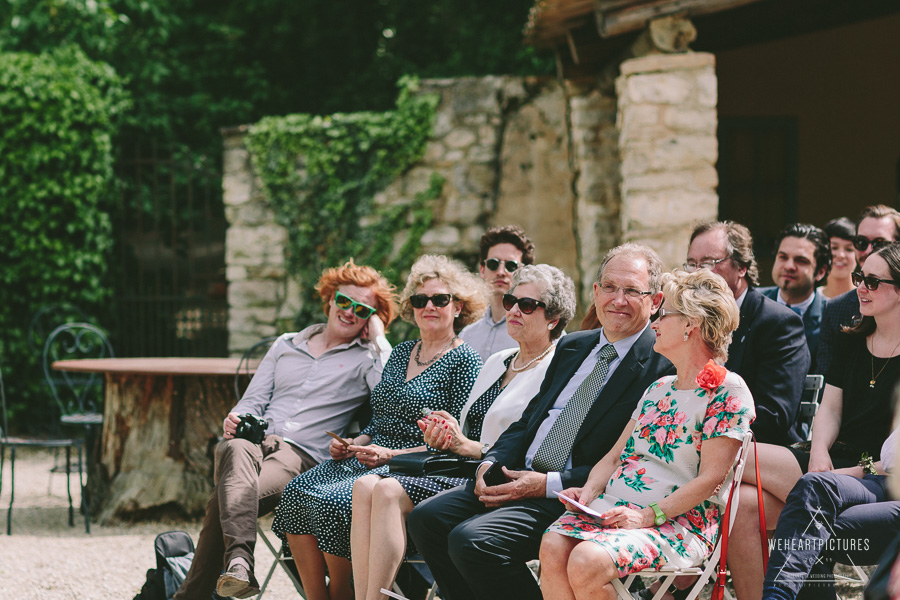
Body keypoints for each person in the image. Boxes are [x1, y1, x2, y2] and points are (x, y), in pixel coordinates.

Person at [406, 243, 674, 600]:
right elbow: (528, 420)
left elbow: (634, 460)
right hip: (517, 474)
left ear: (655, 302)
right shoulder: (573, 347)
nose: (618, 300)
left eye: (631, 291)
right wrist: (490, 463)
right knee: (427, 519)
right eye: (609, 287)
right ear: (595, 292)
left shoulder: (661, 364)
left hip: (575, 494)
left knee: (473, 541)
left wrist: (545, 483)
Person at [350, 264, 576, 600]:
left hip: (507, 476)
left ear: (554, 319)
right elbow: (472, 429)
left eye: (527, 306)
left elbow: (526, 444)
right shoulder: (499, 360)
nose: (513, 310)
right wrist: (445, 433)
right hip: (462, 467)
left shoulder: (557, 368)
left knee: (431, 518)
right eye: (512, 300)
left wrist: (465, 445)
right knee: (401, 505)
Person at [175, 260, 399, 600]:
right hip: (256, 440)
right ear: (329, 300)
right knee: (232, 447)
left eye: (362, 309)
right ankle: (237, 564)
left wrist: (380, 339)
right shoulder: (286, 344)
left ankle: (223, 573)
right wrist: (236, 417)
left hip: (301, 456)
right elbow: (253, 400)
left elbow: (393, 397)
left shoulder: (367, 358)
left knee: (228, 495)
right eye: (343, 301)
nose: (349, 312)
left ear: (370, 317)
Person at [270, 255, 485, 600]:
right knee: (296, 492)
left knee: (331, 501)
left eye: (440, 299)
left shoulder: (465, 360)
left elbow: (454, 440)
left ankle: (342, 592)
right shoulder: (401, 353)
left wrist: (389, 453)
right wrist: (356, 440)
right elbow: (378, 417)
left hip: (421, 462)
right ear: (410, 307)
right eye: (419, 300)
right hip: (370, 454)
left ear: (458, 307)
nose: (428, 306)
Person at [539, 269, 755, 600]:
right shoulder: (658, 388)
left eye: (663, 313)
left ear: (690, 324)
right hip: (613, 510)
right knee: (553, 546)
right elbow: (613, 457)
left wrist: (644, 516)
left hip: (677, 524)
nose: (653, 321)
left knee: (586, 560)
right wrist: (587, 493)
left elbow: (711, 480)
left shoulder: (728, 390)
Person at [729, 242, 900, 599]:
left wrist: (838, 472)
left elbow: (894, 461)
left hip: (873, 473)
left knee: (736, 461)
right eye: (859, 278)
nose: (860, 288)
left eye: (872, 281)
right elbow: (831, 409)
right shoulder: (851, 340)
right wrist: (820, 452)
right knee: (740, 483)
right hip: (827, 456)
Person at [685, 221, 810, 446]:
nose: (697, 274)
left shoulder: (778, 324)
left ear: (741, 267)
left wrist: (705, 434)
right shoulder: (686, 321)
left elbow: (774, 415)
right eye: (692, 264)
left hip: (757, 450)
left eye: (709, 263)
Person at [762, 427, 900, 600]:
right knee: (813, 486)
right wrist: (860, 469)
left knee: (808, 530)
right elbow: (889, 457)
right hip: (884, 480)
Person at [818, 205, 900, 375]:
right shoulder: (835, 308)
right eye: (861, 242)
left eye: (880, 243)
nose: (869, 251)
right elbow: (827, 378)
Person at [760, 223, 831, 372]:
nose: (789, 266)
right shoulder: (753, 304)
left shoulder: (831, 316)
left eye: (801, 261)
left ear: (821, 272)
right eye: (783, 257)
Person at [459, 225, 536, 360]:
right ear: (482, 269)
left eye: (511, 265)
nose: (501, 272)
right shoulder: (467, 336)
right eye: (493, 264)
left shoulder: (539, 331)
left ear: (524, 273)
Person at [820, 217, 858, 300]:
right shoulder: (810, 298)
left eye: (849, 249)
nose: (841, 255)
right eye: (834, 248)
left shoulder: (865, 298)